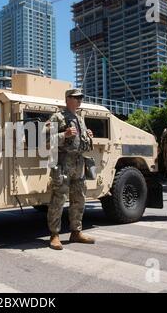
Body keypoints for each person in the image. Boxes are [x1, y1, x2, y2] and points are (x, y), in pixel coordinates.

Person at [46, 89, 96, 251]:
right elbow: (44, 139)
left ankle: (76, 231)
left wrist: (88, 137)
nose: (79, 100)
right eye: (76, 97)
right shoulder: (58, 117)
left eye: (81, 97)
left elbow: (83, 145)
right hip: (62, 164)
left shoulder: (80, 119)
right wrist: (64, 135)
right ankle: (54, 235)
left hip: (79, 164)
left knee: (79, 199)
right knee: (58, 199)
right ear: (67, 99)